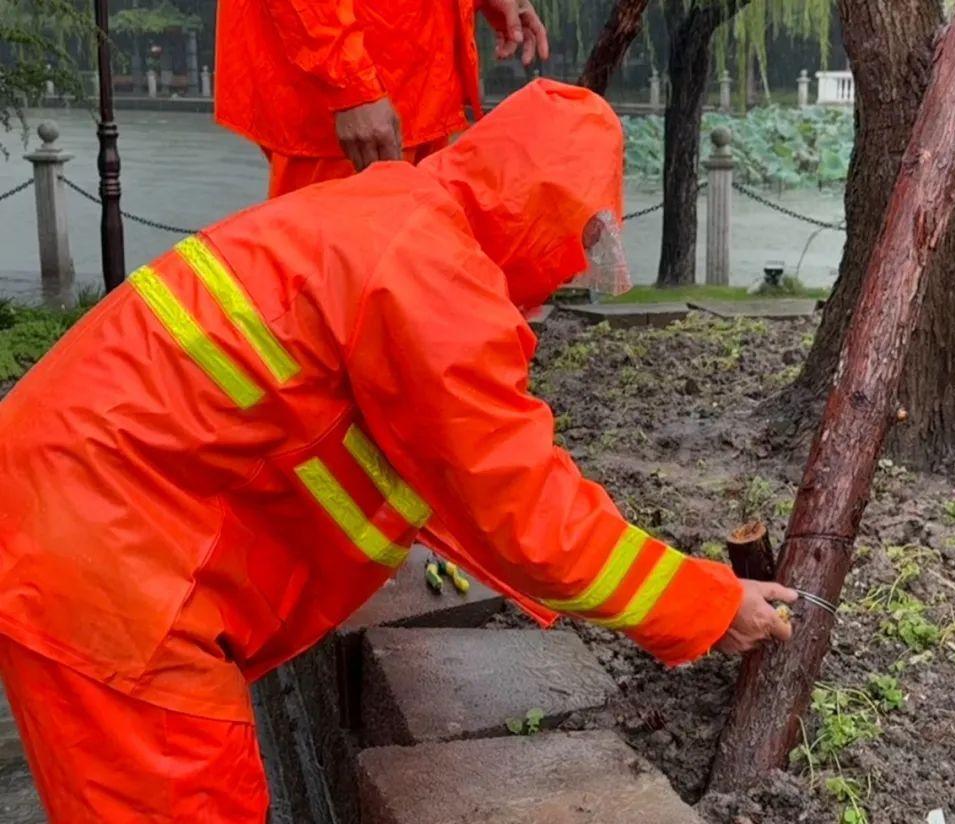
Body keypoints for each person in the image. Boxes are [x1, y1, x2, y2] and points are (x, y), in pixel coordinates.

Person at [0, 80, 796, 822]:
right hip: (113, 568)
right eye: (575, 249)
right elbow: (520, 506)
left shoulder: (395, 218)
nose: (559, 286)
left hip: (87, 522)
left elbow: (442, 472)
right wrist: (707, 605)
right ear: (553, 220)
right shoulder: (435, 276)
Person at [216, 0, 549, 198]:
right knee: (335, 289)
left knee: (408, 285)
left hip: (418, 91)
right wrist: (349, 84)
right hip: (349, 115)